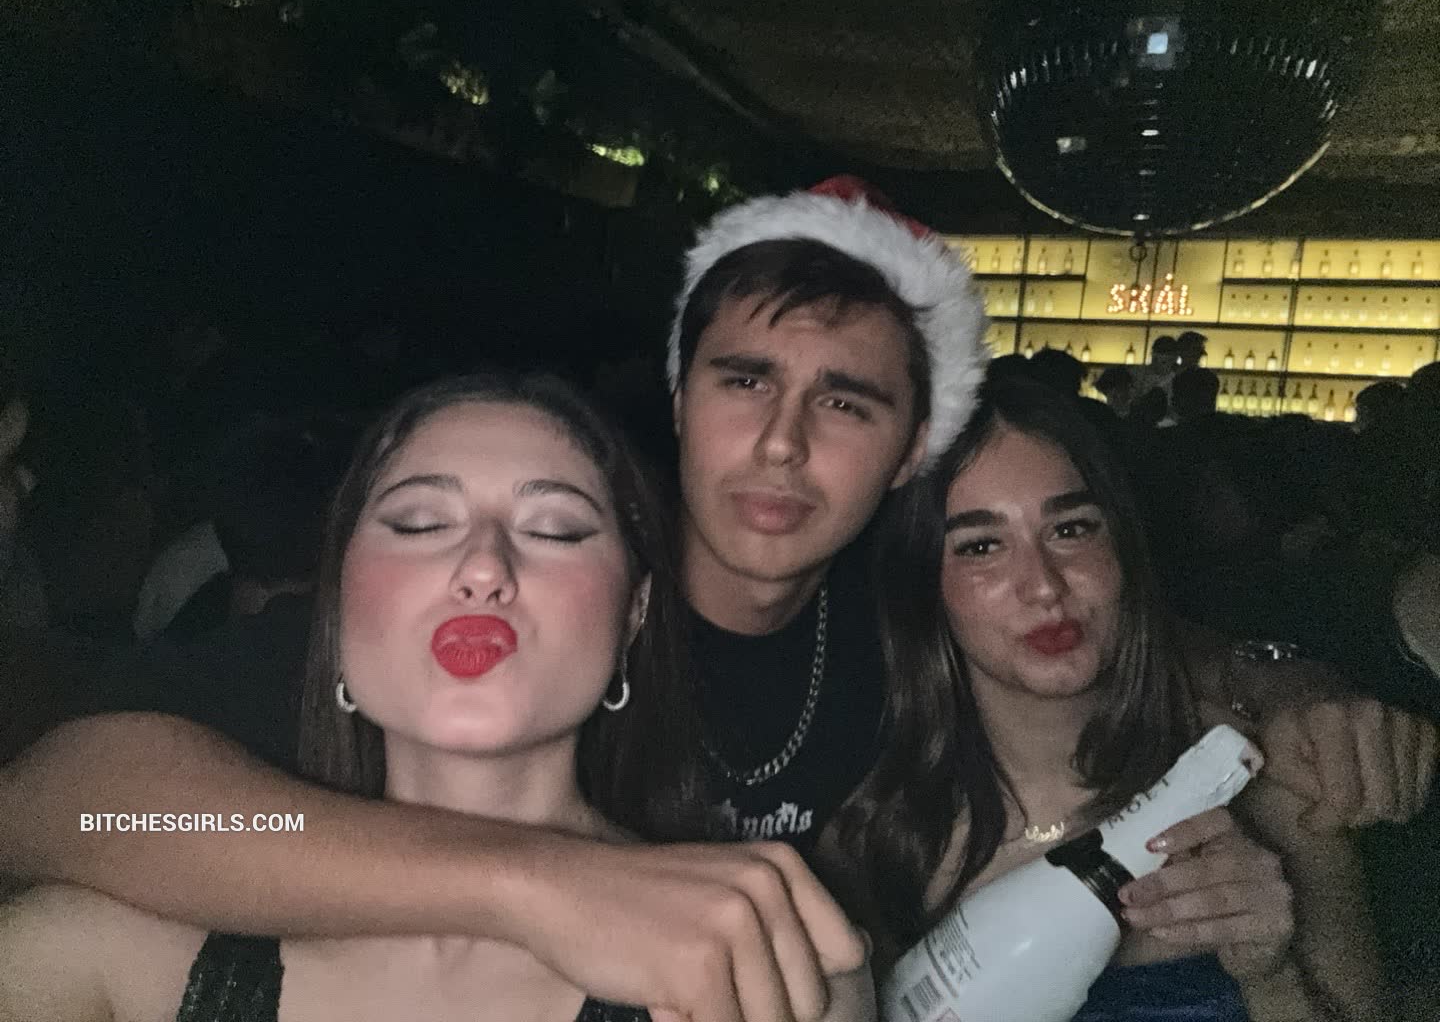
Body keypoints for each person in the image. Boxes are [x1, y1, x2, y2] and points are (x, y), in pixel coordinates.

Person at [2, 181, 1436, 1022]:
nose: (783, 443)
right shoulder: (480, 636)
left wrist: (1289, 680)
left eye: (847, 401)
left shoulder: (896, 632)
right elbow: (76, 805)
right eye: (745, 380)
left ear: (908, 458)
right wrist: (537, 884)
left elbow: (1106, 632)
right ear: (681, 399)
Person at [0, 371, 875, 1021]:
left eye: (556, 529)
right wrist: (533, 883)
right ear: (337, 601)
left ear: (636, 612)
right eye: (419, 523)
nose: (484, 566)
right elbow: (86, 807)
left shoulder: (761, 969)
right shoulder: (102, 954)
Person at [827, 376, 1385, 1020]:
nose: (1044, 586)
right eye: (981, 546)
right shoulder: (878, 837)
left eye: (1070, 529)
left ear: (1122, 547)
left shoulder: (1270, 786)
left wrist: (1273, 974)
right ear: (923, 588)